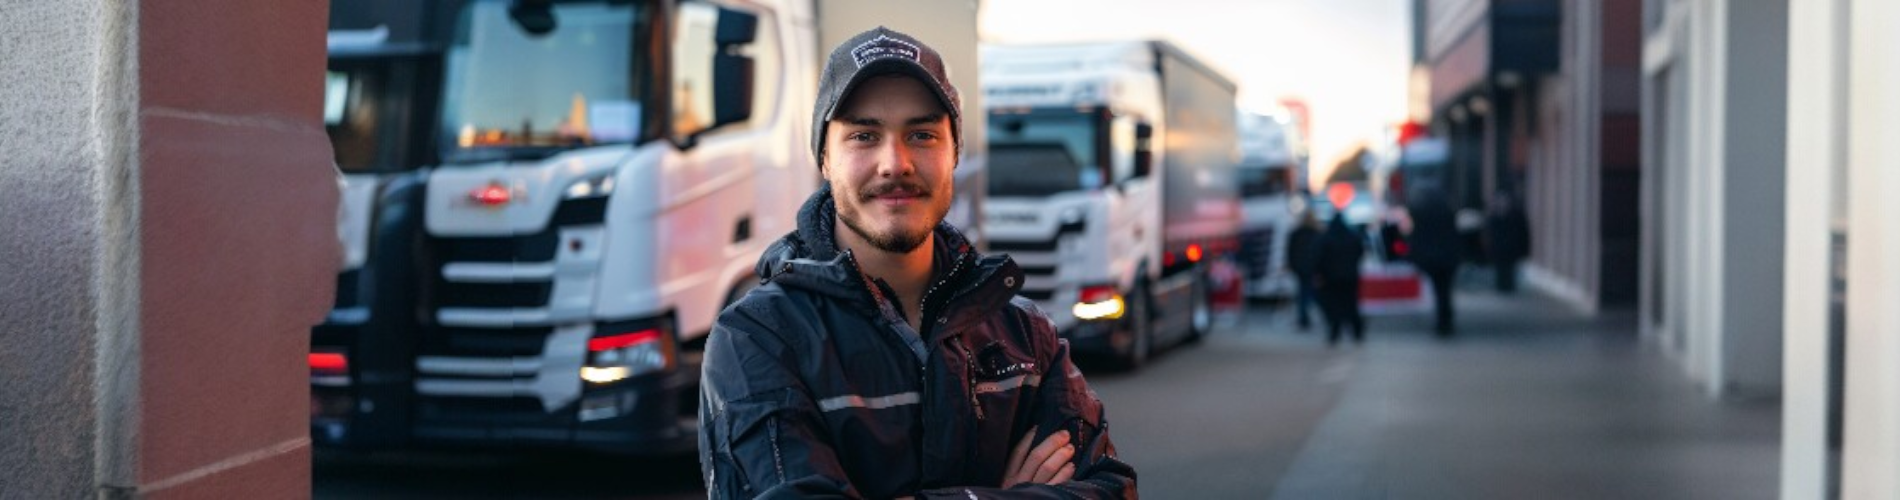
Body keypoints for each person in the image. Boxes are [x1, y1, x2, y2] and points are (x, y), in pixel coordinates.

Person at [696, 27, 1136, 499]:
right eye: (864, 135)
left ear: (955, 154)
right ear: (824, 158)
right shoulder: (759, 337)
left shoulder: (1025, 335)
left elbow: (1113, 489)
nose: (895, 163)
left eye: (922, 134)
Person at [1406, 187, 1461, 336]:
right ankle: (1446, 320)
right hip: (1447, 259)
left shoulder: (1421, 213)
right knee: (1445, 291)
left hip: (1432, 259)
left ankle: (1443, 321)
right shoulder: (1448, 213)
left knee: (1439, 290)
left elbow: (1416, 235)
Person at [1315, 211, 1366, 344]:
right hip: (1350, 276)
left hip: (1332, 278)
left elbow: (1320, 257)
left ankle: (1335, 332)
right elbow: (1360, 252)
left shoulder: (1326, 237)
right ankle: (1357, 331)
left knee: (1335, 305)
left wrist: (1321, 273)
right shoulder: (1352, 236)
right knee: (1351, 304)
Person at [1285, 209, 1323, 330]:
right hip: (1312, 268)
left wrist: (1291, 265)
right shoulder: (1317, 233)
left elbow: (1290, 251)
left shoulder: (1296, 233)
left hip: (1300, 268)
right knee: (1313, 292)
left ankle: (1303, 318)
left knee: (1303, 292)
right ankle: (1312, 316)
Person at [1487, 190, 1531, 293]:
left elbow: (1523, 234)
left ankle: (1508, 287)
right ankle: (1502, 287)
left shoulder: (1515, 216)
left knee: (1509, 270)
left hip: (1511, 250)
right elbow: (1490, 235)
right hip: (1499, 250)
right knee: (1501, 271)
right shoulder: (1494, 217)